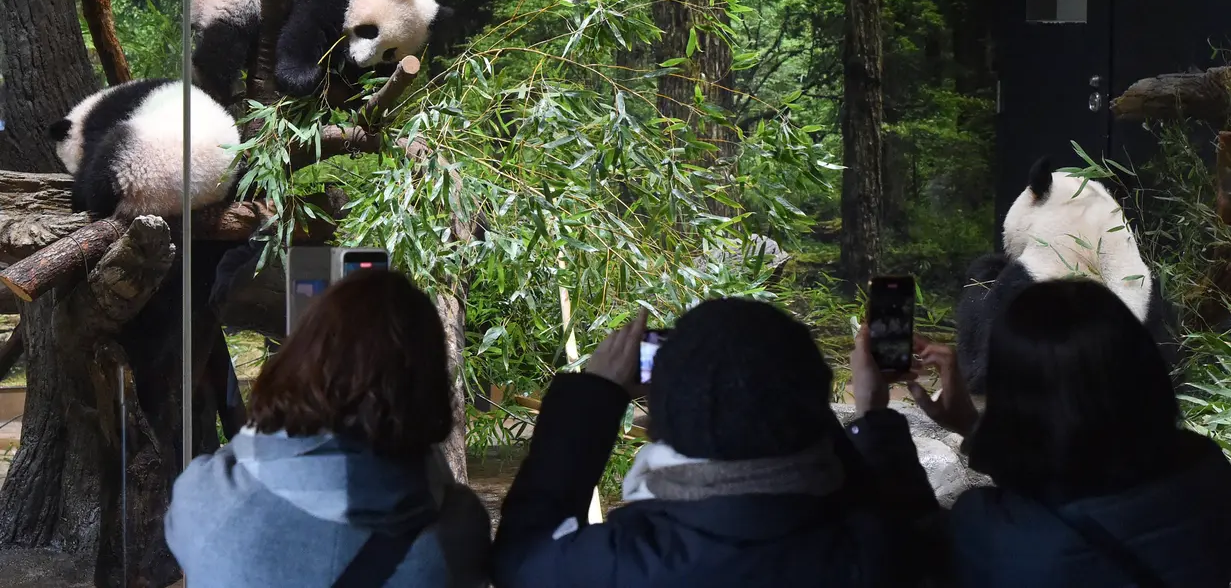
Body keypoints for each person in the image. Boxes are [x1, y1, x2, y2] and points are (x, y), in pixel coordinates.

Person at [492, 297, 941, 588]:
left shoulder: (609, 565)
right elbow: (903, 514)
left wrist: (594, 396)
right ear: (813, 403)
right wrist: (873, 413)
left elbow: (519, 554)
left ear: (661, 417)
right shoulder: (883, 551)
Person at [165, 269, 491, 588]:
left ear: (298, 360)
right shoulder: (456, 532)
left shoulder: (207, 499)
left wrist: (277, 415)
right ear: (429, 390)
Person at [910, 279, 1231, 587]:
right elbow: (1070, 477)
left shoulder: (991, 532)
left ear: (1010, 399)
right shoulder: (1208, 469)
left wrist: (873, 415)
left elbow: (904, 549)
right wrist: (970, 424)